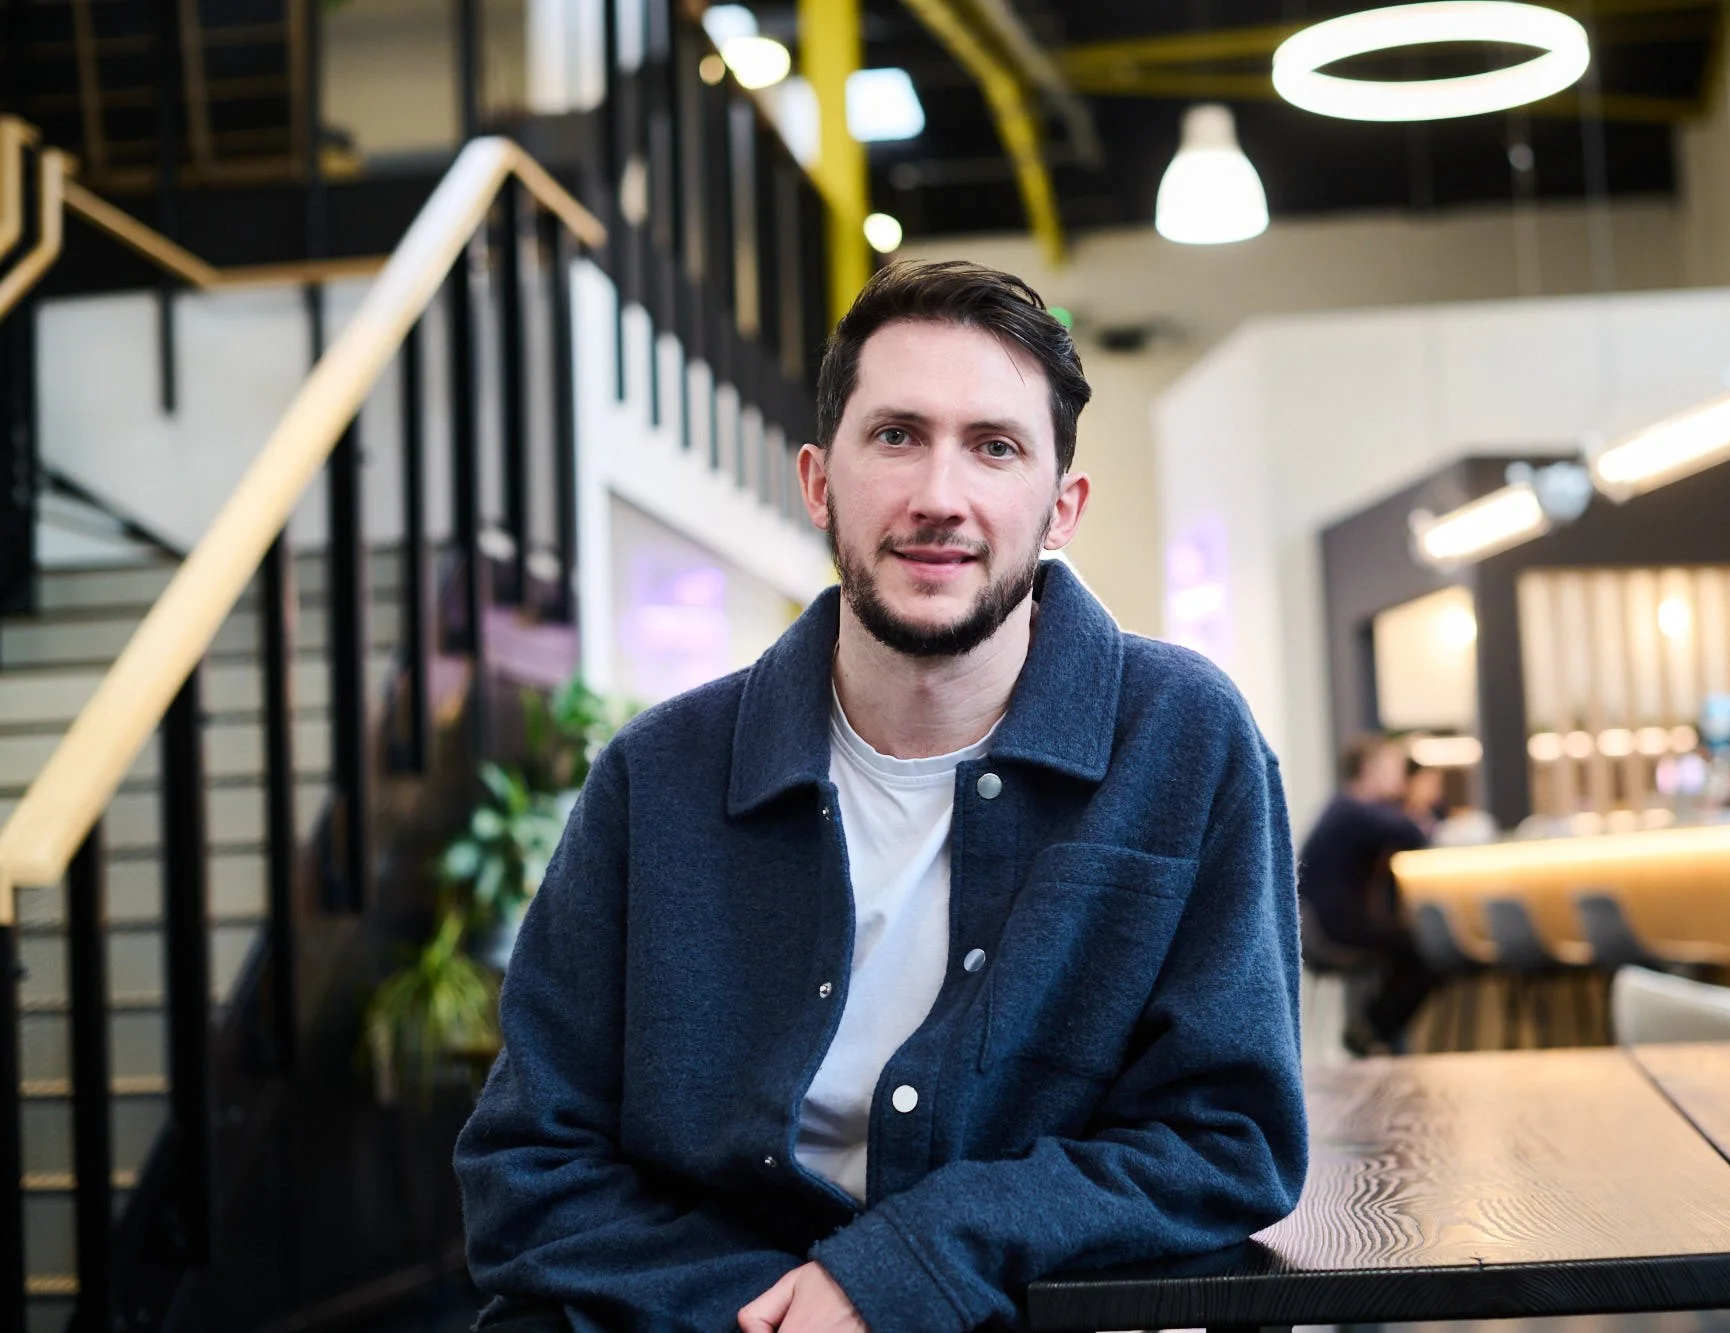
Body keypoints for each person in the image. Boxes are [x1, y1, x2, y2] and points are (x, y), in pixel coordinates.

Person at [454, 260, 1308, 1333]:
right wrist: (772, 1315)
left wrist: (901, 1272)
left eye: (994, 447)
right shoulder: (657, 773)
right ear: (818, 481)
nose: (938, 497)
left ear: (1060, 507)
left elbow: (1226, 1142)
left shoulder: (1181, 740)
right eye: (896, 435)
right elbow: (527, 1163)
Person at [1296, 734, 1437, 1054]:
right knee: (1422, 953)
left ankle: (1374, 1032)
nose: (1400, 776)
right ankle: (1372, 1030)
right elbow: (1413, 833)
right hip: (1336, 931)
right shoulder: (1353, 810)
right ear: (1368, 771)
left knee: (1410, 948)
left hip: (1326, 926)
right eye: (1392, 768)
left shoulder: (1342, 808)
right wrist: (1416, 801)